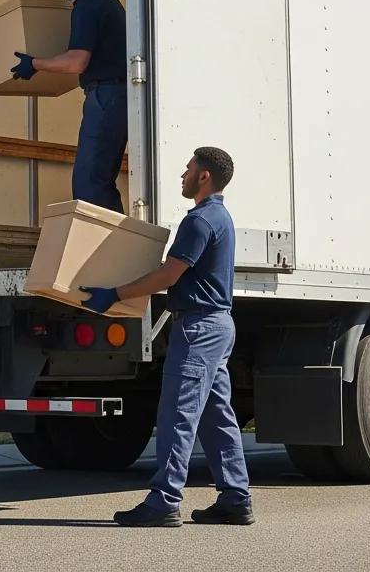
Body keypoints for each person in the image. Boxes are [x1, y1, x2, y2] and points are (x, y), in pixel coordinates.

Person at [80, 146, 254, 528]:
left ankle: (164, 500)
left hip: (199, 328)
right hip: (218, 324)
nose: (183, 173)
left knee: (178, 412)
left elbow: (169, 274)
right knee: (215, 413)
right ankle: (235, 498)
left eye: (189, 168)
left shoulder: (200, 221)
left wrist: (116, 294)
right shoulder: (220, 216)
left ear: (204, 176)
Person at [10, 0, 127, 212]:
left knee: (90, 183)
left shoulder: (89, 4)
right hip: (115, 96)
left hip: (106, 97)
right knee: (99, 180)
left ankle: (110, 251)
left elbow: (77, 61)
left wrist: (35, 63)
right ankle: (119, 248)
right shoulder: (108, 1)